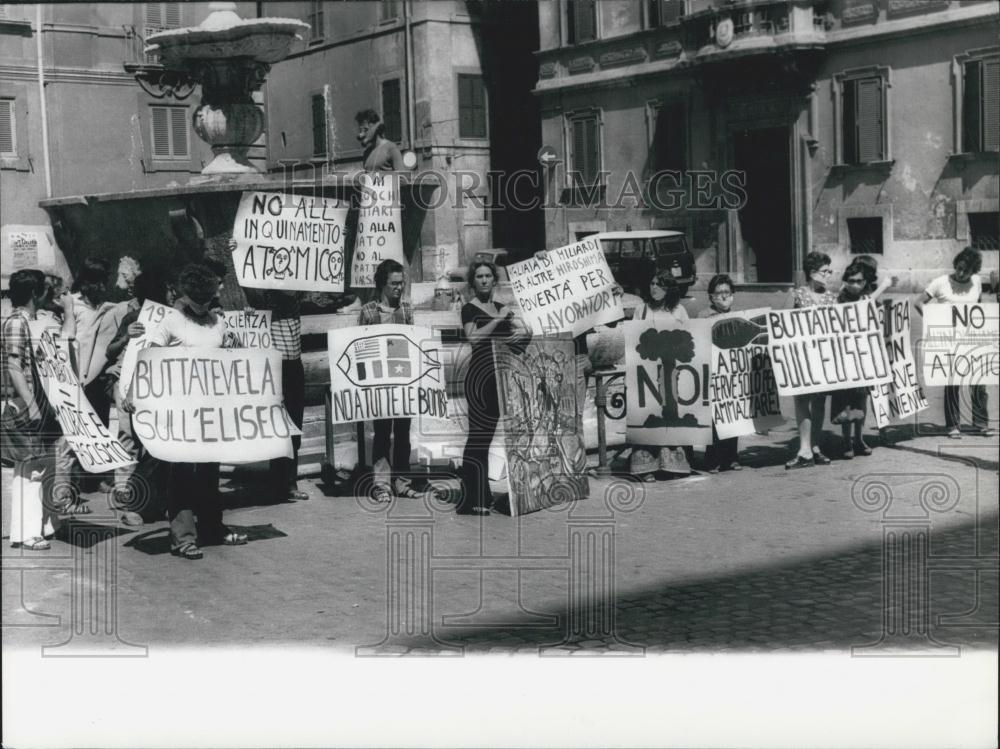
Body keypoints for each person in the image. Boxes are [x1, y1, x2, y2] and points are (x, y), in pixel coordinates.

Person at [122, 263, 249, 560]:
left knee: (208, 471)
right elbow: (148, 358)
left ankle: (212, 528)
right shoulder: (171, 321)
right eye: (213, 289)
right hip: (179, 411)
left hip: (210, 411)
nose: (219, 291)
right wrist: (132, 392)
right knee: (181, 473)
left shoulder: (217, 321)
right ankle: (182, 537)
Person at [2, 269, 75, 550]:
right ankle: (27, 531)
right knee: (30, 468)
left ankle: (46, 522)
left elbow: (67, 341)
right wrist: (31, 404)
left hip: (45, 404)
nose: (50, 294)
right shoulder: (17, 323)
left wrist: (67, 310)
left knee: (46, 464)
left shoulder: (39, 322)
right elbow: (13, 365)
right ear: (34, 293)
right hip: (27, 404)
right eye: (46, 289)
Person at [457, 261, 527, 515]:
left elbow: (515, 337)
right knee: (477, 437)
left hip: (500, 378)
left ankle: (483, 495)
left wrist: (524, 331)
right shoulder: (469, 309)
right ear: (472, 282)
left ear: (494, 280)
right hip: (479, 379)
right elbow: (473, 338)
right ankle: (471, 497)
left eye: (488, 276)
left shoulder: (501, 308)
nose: (484, 280)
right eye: (479, 276)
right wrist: (498, 319)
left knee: (485, 439)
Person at [103, 272, 171, 525]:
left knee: (152, 442)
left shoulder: (172, 319)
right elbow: (110, 351)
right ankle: (125, 490)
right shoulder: (132, 318)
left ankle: (149, 496)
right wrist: (126, 336)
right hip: (128, 384)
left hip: (158, 387)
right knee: (129, 436)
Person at [915, 246, 993, 438]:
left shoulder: (976, 282)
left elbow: (978, 306)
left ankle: (981, 423)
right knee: (952, 384)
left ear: (973, 271)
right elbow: (918, 302)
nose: (960, 272)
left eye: (966, 270)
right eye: (959, 267)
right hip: (949, 341)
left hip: (972, 340)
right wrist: (932, 320)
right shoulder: (940, 282)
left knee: (979, 382)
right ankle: (953, 426)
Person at [358, 259, 417, 502]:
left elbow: (414, 343)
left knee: (403, 433)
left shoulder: (407, 310)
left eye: (401, 283)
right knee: (382, 432)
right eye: (394, 283)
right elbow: (359, 347)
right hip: (379, 384)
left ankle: (402, 482)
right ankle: (381, 485)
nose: (399, 288)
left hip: (403, 381)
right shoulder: (369, 311)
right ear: (383, 284)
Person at [244, 289, 308, 502]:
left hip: (294, 366)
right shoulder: (262, 304)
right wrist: (249, 316)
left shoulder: (296, 299)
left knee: (294, 425)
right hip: (272, 367)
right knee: (275, 426)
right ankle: (278, 481)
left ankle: (290, 480)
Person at [630, 270, 693, 479]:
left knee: (670, 416)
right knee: (649, 416)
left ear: (669, 289)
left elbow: (689, 339)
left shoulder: (679, 311)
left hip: (671, 371)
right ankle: (646, 468)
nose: (654, 288)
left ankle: (672, 466)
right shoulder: (642, 310)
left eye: (660, 285)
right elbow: (633, 339)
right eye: (652, 283)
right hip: (646, 373)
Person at [830, 261, 894, 458]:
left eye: (859, 281)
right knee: (845, 402)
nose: (855, 285)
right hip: (844, 358)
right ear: (845, 282)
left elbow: (880, 318)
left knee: (861, 399)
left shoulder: (870, 298)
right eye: (850, 281)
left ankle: (859, 438)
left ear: (864, 282)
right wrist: (883, 286)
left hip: (864, 358)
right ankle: (847, 441)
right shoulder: (838, 300)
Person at [785, 251, 838, 470]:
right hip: (802, 356)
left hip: (824, 357)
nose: (829, 275)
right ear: (813, 272)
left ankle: (814, 446)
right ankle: (804, 448)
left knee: (819, 401)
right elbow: (783, 323)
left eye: (829, 271)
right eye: (826, 271)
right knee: (802, 399)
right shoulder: (797, 295)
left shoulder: (830, 297)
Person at [698, 274, 743, 472]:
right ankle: (713, 458)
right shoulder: (703, 316)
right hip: (713, 372)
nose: (724, 297)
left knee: (732, 414)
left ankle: (731, 457)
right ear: (711, 296)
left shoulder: (739, 314)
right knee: (714, 419)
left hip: (732, 373)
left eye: (727, 293)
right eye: (719, 293)